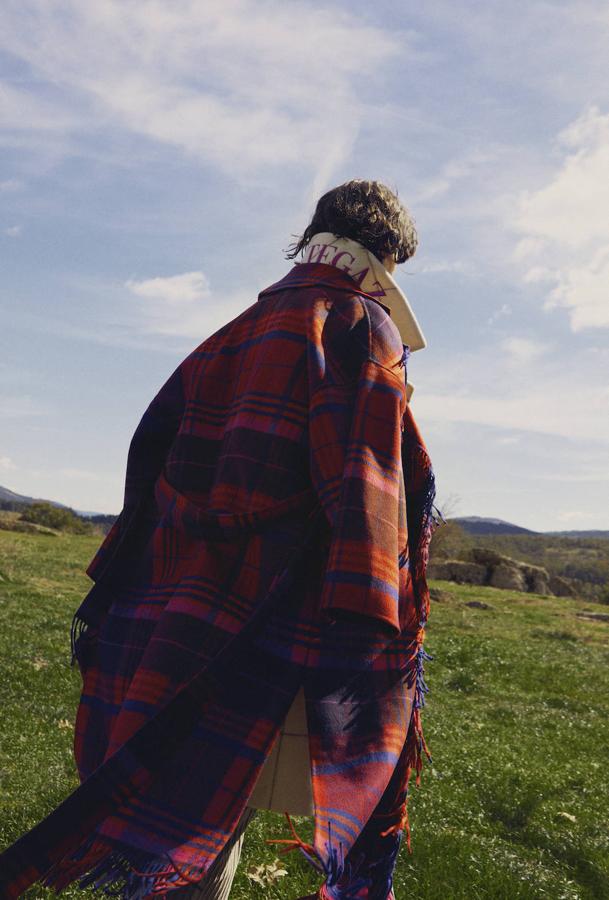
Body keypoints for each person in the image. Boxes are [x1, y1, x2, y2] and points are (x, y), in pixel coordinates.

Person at [0, 179, 436, 900]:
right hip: (272, 617)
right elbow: (364, 490)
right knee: (200, 814)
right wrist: (369, 635)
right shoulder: (360, 324)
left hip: (177, 599)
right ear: (386, 254)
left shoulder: (238, 328)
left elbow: (152, 454)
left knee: (178, 796)